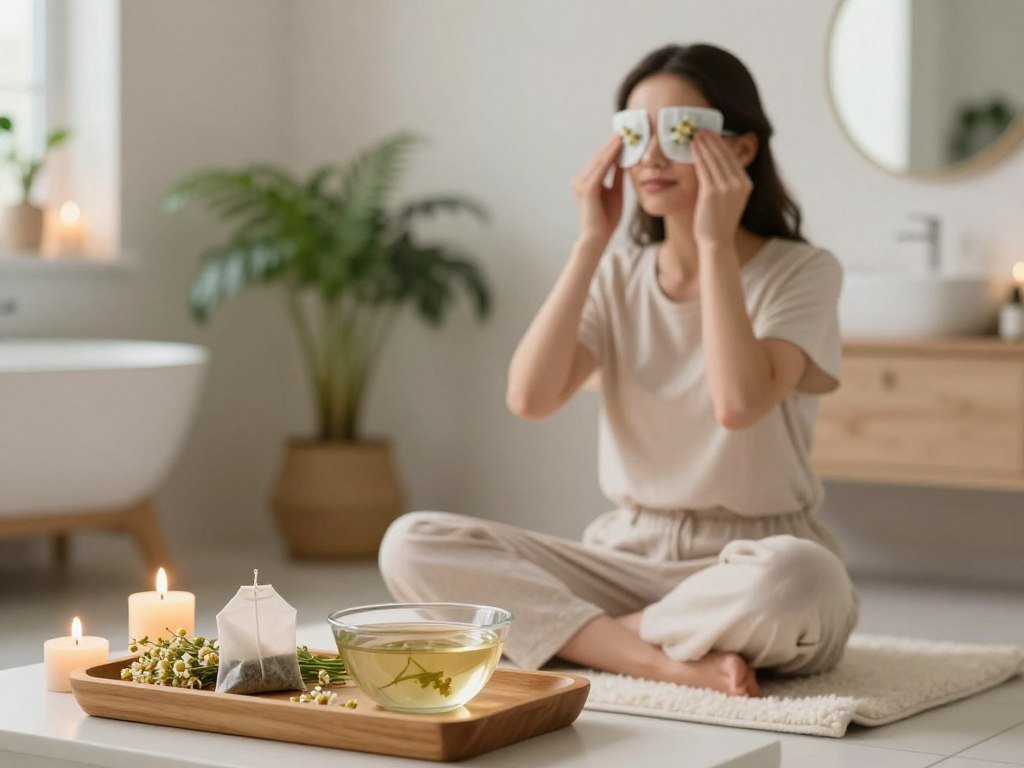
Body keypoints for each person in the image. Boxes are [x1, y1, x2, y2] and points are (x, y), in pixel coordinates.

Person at [378, 43, 859, 698]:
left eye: (679, 133)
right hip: (624, 556)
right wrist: (590, 243)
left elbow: (738, 403)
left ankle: (589, 638)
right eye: (635, 135)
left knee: (803, 581)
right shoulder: (618, 272)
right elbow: (530, 396)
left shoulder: (801, 272)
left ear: (741, 149)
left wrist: (715, 243)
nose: (651, 157)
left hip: (749, 560)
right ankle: (658, 658)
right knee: (411, 543)